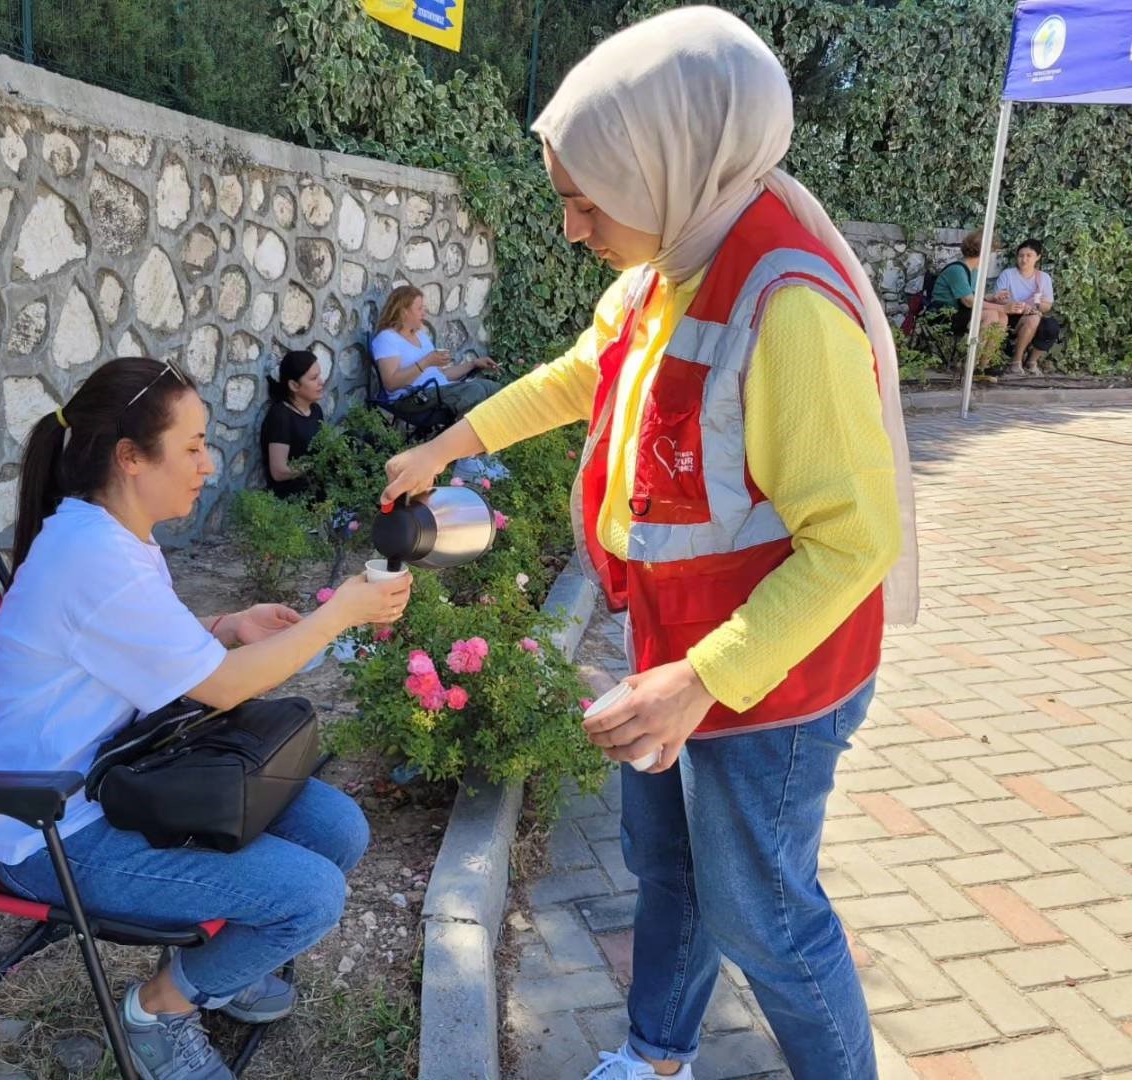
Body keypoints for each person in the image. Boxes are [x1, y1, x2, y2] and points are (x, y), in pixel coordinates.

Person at [382, 10, 918, 1080]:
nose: (575, 228)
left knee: (764, 915)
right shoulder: (670, 260)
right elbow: (588, 371)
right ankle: (658, 1055)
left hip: (773, 685)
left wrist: (699, 683)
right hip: (679, 655)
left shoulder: (787, 300)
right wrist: (449, 440)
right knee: (667, 871)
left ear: (673, 167)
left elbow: (855, 541)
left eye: (589, 201)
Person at [0, 356, 412, 1080]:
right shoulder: (96, 559)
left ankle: (217, 971)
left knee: (339, 830)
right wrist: (339, 613)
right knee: (313, 895)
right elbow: (223, 690)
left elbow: (141, 652)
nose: (209, 463)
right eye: (192, 446)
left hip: (122, 779)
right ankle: (161, 1008)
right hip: (51, 830)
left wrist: (225, 624)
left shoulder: (113, 537)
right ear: (129, 458)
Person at [371, 284, 501, 416]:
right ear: (404, 312)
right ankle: (463, 435)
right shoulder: (387, 338)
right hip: (413, 398)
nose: (424, 313)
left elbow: (441, 375)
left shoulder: (421, 336)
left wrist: (473, 364)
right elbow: (391, 383)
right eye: (419, 308)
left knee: (493, 388)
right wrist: (426, 362)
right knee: (475, 391)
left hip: (440, 392)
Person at [260, 349, 325, 499]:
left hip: (317, 483)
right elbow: (279, 472)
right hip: (294, 494)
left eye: (319, 375)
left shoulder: (315, 410)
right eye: (314, 378)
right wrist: (316, 464)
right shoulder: (281, 416)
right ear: (294, 386)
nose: (321, 382)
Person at [994, 238, 1060, 375]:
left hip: (1033, 314)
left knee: (1051, 326)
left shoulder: (1044, 278)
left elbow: (1047, 305)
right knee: (1034, 318)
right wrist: (1020, 306)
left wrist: (1036, 305)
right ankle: (1016, 361)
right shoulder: (1008, 275)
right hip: (1010, 316)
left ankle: (1031, 361)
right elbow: (999, 299)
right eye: (1021, 255)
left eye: (1029, 256)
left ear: (1038, 257)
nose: (1024, 259)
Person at [929, 229, 1010, 339]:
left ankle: (986, 357)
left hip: (959, 312)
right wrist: (1003, 308)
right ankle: (977, 355)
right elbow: (969, 302)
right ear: (984, 252)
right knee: (991, 315)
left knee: (1002, 317)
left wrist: (992, 297)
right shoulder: (957, 270)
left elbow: (973, 297)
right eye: (991, 251)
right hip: (943, 315)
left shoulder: (974, 270)